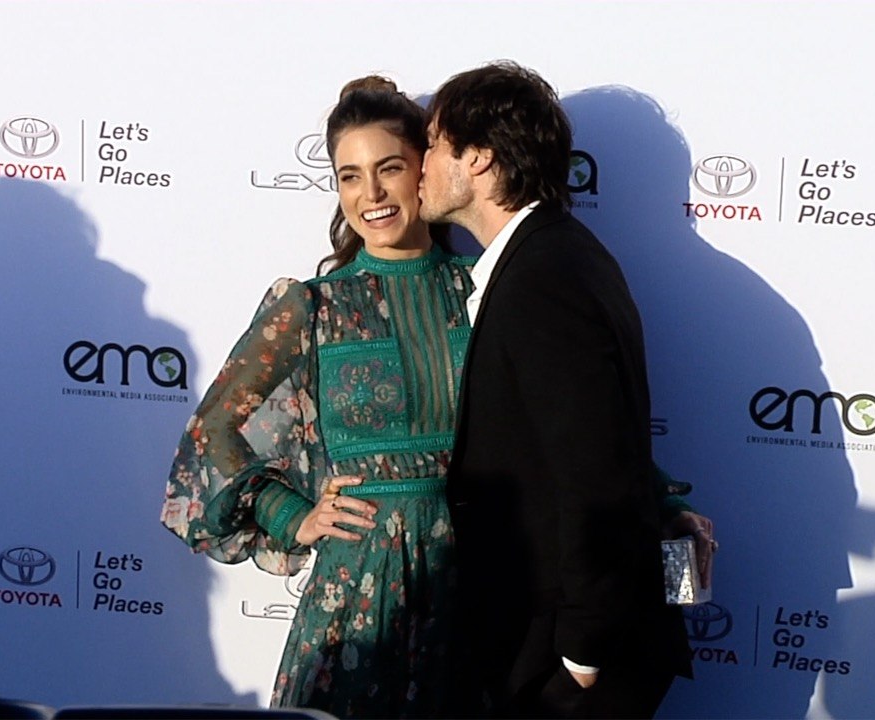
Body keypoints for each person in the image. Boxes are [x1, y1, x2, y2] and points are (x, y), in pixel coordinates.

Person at [162, 74, 710, 719]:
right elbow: (212, 433)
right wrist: (293, 516)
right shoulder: (314, 306)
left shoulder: (484, 287)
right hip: (363, 593)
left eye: (389, 168)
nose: (370, 194)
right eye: (348, 176)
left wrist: (661, 504)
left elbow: (571, 426)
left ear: (424, 169)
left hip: (482, 584)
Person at [419, 61, 698, 718]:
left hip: (573, 658)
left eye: (432, 143)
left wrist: (582, 653)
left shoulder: (543, 276)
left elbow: (596, 473)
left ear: (479, 158)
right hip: (556, 641)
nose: (420, 164)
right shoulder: (553, 255)